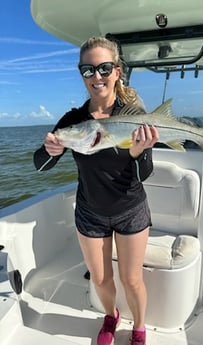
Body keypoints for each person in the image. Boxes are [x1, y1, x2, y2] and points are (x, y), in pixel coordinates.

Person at [33, 36, 159, 345]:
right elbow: (39, 164)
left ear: (117, 71)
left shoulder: (132, 116)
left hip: (130, 209)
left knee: (131, 279)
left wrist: (139, 152)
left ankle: (139, 327)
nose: (96, 76)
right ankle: (110, 316)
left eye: (104, 68)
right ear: (81, 74)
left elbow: (145, 173)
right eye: (88, 70)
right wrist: (51, 150)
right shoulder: (74, 121)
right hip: (90, 212)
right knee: (101, 279)